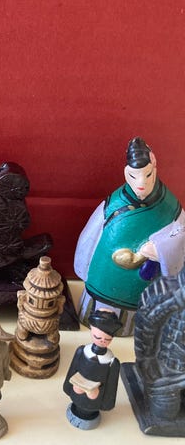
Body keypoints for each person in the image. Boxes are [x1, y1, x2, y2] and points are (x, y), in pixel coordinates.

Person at [74, 137, 185, 335]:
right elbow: (92, 233)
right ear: (126, 173)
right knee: (98, 308)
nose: (141, 183)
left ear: (154, 169)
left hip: (144, 282)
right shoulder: (115, 202)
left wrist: (161, 249)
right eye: (134, 176)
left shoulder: (169, 206)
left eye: (147, 175)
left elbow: (181, 234)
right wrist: (83, 265)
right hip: (104, 275)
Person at [63, 310, 122, 430]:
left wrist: (106, 402)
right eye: (97, 337)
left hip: (96, 397)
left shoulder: (111, 362)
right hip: (77, 390)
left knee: (92, 398)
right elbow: (73, 370)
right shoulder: (82, 351)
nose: (102, 341)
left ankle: (90, 412)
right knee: (78, 392)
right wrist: (69, 387)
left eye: (107, 339)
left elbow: (111, 385)